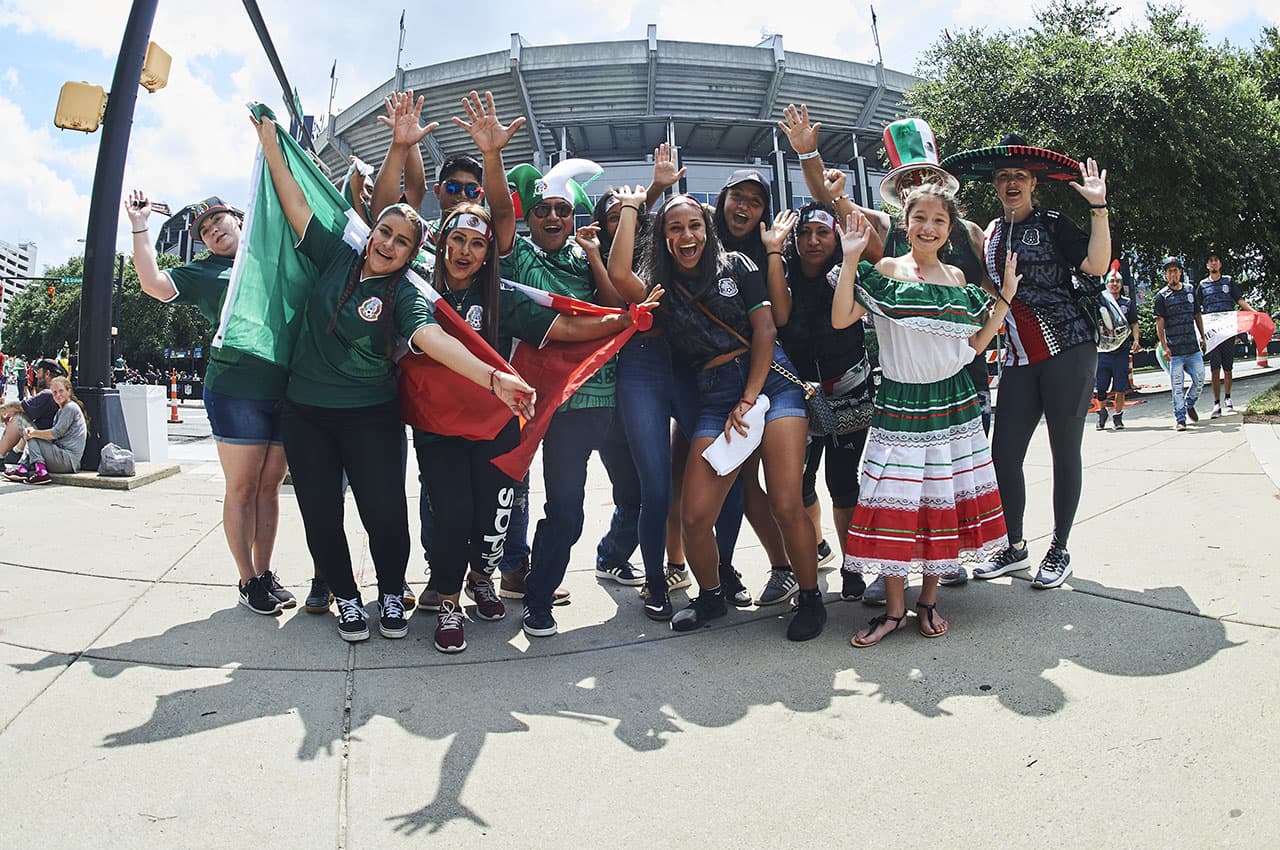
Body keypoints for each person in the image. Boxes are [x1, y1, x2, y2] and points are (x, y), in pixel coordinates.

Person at [252, 110, 535, 643]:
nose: (388, 244)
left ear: (413, 253)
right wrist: (271, 145)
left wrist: (494, 377)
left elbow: (432, 339)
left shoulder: (406, 291)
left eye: (403, 241)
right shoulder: (336, 254)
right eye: (384, 231)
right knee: (320, 512)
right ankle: (345, 596)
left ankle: (389, 592)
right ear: (371, 233)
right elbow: (296, 205)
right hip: (305, 411)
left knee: (383, 513)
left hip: (370, 415)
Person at [415, 202, 655, 651]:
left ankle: (482, 579)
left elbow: (562, 327)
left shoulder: (500, 297)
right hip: (438, 426)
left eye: (477, 244)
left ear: (488, 254)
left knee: (493, 515)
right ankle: (448, 601)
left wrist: (623, 319)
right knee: (452, 514)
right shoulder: (418, 290)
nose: (465, 251)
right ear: (442, 241)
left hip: (495, 423)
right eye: (458, 240)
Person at [779, 107, 984, 596]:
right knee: (898, 482)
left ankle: (945, 558)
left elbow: (992, 294)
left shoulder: (973, 233)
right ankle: (888, 570)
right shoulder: (882, 228)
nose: (918, 184)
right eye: (908, 178)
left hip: (961, 375)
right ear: (898, 190)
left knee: (950, 477)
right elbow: (827, 197)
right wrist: (808, 152)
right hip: (905, 380)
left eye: (926, 176)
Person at [608, 188, 826, 641]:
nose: (687, 235)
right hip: (714, 394)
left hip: (771, 383)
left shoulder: (738, 266)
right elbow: (619, 275)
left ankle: (809, 598)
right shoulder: (661, 288)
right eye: (674, 228)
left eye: (694, 226)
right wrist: (631, 208)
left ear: (707, 230)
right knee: (694, 516)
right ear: (663, 237)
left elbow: (766, 329)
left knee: (786, 502)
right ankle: (710, 597)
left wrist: (748, 398)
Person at [831, 189, 1015, 647]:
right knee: (893, 502)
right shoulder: (885, 270)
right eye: (920, 218)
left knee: (940, 501)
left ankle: (929, 602)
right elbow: (841, 319)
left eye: (938, 220)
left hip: (954, 402)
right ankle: (895, 610)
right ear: (905, 223)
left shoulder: (957, 278)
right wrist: (851, 259)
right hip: (900, 401)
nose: (928, 227)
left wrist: (1006, 299)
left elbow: (975, 345)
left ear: (950, 230)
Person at [942, 135, 1111, 590]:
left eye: (1019, 175)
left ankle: (1060, 548)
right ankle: (1014, 547)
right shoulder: (991, 233)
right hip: (1017, 358)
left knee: (1064, 452)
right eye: (1003, 176)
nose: (1011, 182)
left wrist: (1098, 208)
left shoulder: (1053, 223)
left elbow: (1097, 265)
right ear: (995, 184)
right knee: (1002, 456)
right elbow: (990, 290)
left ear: (1033, 182)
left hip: (1068, 351)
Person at [127, 191, 301, 617]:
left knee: (270, 487)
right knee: (242, 487)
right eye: (204, 231)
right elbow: (153, 283)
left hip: (284, 386)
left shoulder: (272, 254)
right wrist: (140, 225)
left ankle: (265, 573)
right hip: (235, 388)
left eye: (217, 221)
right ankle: (247, 579)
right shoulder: (204, 272)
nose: (213, 231)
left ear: (238, 218)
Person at [499, 138, 642, 639]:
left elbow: (613, 303)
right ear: (530, 216)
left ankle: (613, 555)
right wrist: (493, 156)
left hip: (610, 400)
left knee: (637, 495)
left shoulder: (583, 258)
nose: (553, 217)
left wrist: (596, 256)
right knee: (565, 511)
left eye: (562, 209)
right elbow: (501, 214)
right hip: (560, 406)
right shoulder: (517, 255)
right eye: (543, 210)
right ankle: (538, 600)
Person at [757, 200, 874, 607]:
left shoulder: (849, 269)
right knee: (800, 484)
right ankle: (816, 545)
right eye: (805, 233)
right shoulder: (783, 270)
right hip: (796, 395)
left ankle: (853, 565)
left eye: (822, 232)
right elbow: (780, 318)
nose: (812, 241)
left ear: (836, 237)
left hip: (848, 391)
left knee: (843, 481)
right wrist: (774, 252)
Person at [1199, 251, 1255, 417]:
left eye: (1216, 260)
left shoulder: (1228, 281)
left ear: (1220, 264)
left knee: (1228, 367)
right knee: (1214, 368)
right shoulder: (1202, 285)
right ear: (1207, 265)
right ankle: (1216, 403)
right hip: (1212, 333)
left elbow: (1239, 300)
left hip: (1228, 330)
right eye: (1210, 261)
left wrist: (1254, 312)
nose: (1213, 263)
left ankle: (1228, 397)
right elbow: (1196, 309)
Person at [1154, 256, 1206, 431]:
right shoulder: (1161, 296)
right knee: (1177, 387)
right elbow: (1159, 323)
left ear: (1180, 272)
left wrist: (1202, 336)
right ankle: (1180, 418)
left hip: (1192, 347)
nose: (1173, 274)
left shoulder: (1190, 290)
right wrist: (1164, 347)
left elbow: (1197, 315)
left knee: (1200, 378)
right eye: (1169, 271)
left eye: (1175, 270)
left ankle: (1189, 403)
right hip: (1174, 350)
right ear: (1165, 274)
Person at [3, 376, 87, 483]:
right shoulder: (62, 409)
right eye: (54, 392)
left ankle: (40, 472)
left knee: (32, 435)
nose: (58, 395)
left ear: (69, 391)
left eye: (61, 391)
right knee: (32, 434)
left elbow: (56, 433)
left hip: (68, 460)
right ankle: (23, 469)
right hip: (63, 457)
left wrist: (34, 433)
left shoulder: (70, 407)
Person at [1095, 266, 1140, 430]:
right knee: (1101, 387)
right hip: (1104, 352)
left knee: (1120, 387)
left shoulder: (1127, 303)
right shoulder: (1101, 302)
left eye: (1117, 281)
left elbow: (1134, 323)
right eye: (1112, 281)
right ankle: (1102, 413)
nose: (1114, 284)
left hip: (1122, 351)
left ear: (1121, 284)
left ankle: (1118, 416)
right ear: (1107, 284)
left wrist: (1136, 340)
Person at [0, 358, 63, 466]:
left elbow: (19, 406)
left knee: (19, 419)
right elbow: (27, 409)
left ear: (47, 373)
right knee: (22, 415)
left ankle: (1, 455)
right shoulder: (56, 393)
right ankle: (15, 452)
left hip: (49, 447)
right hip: (52, 444)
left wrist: (2, 410)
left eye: (38, 372)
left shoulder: (48, 394)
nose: (36, 376)